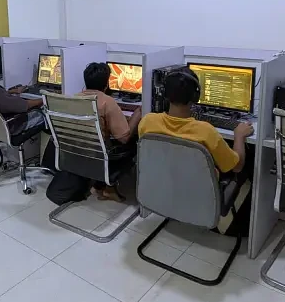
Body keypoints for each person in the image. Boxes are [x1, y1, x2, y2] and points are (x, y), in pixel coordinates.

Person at [138, 67, 253, 234]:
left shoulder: (147, 122)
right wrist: (239, 136)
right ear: (195, 97)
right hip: (197, 193)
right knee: (248, 163)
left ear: (164, 93)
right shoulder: (206, 131)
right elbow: (237, 166)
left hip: (164, 187)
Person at [79, 62, 142, 202]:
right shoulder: (107, 102)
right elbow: (124, 137)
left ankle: (100, 186)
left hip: (80, 151)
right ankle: (109, 187)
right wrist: (137, 114)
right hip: (102, 154)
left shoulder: (75, 98)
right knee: (135, 141)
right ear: (107, 84)